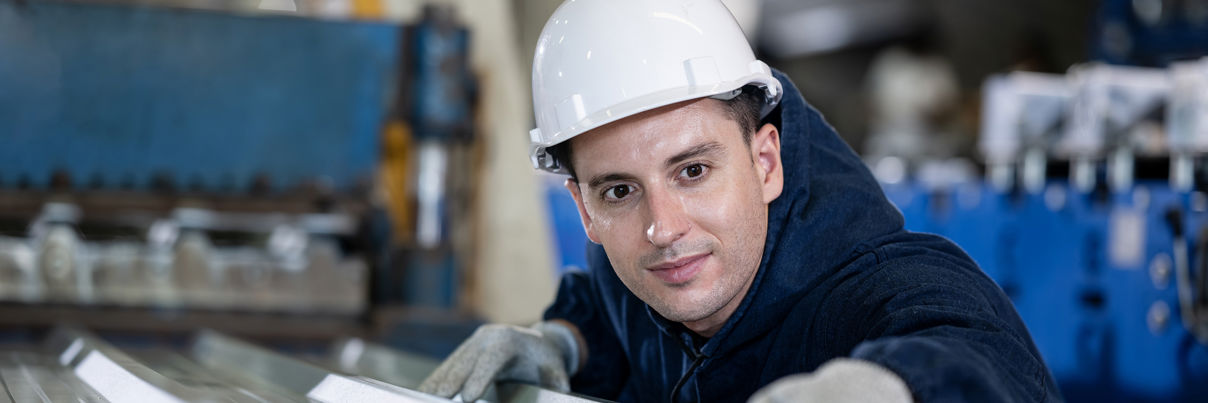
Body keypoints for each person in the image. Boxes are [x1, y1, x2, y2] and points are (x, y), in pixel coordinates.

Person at [420, 0, 1062, 401]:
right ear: (585, 210)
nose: (662, 229)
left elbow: (973, 349)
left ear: (765, 162)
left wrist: (883, 388)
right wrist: (560, 345)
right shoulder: (637, 277)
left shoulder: (882, 287)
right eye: (619, 191)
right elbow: (613, 320)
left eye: (693, 170)